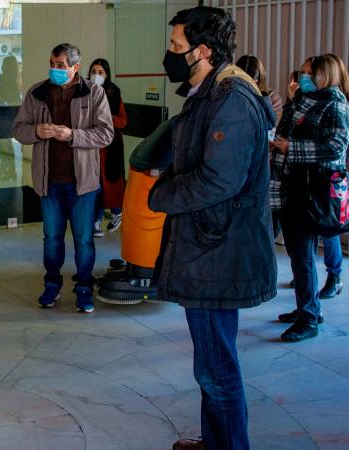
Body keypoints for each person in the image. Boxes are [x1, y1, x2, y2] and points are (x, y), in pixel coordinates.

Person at [147, 7, 276, 449]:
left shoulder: (231, 100)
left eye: (176, 47)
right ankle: (214, 441)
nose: (169, 54)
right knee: (212, 362)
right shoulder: (210, 94)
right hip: (208, 245)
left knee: (217, 368)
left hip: (217, 251)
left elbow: (221, 179)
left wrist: (161, 195)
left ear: (203, 51)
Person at [13, 43, 114, 313]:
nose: (55, 69)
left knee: (83, 239)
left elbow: (106, 134)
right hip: (49, 182)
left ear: (76, 67)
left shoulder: (94, 93)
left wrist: (73, 135)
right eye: (52, 64)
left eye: (61, 65)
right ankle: (52, 285)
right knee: (52, 238)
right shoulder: (37, 92)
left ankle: (83, 288)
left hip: (83, 183)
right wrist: (37, 131)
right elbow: (19, 130)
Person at [272, 53, 349, 341]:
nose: (301, 77)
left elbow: (335, 146)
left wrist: (291, 147)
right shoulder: (303, 101)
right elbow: (285, 130)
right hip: (293, 186)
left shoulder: (335, 102)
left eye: (307, 73)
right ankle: (308, 308)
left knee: (303, 254)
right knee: (298, 254)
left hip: (314, 190)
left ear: (323, 75)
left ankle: (309, 317)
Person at [88, 58, 127, 237]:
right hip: (91, 145)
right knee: (95, 184)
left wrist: (107, 117)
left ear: (107, 74)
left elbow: (123, 120)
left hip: (110, 147)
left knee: (109, 182)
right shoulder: (83, 92)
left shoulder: (113, 92)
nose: (96, 75)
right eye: (93, 71)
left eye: (100, 72)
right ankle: (96, 220)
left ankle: (117, 212)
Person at [236, 54, 284, 124]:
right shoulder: (230, 94)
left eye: (249, 83)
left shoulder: (272, 97)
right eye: (241, 81)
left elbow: (272, 124)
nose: (246, 87)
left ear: (258, 80)